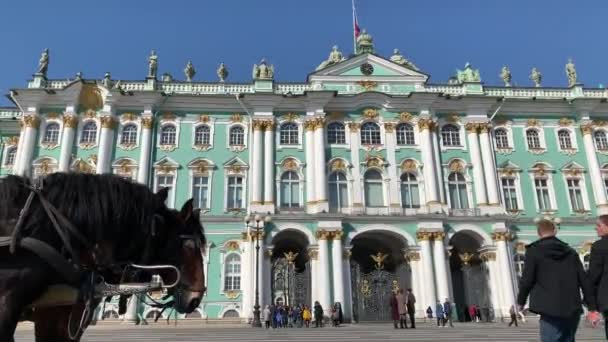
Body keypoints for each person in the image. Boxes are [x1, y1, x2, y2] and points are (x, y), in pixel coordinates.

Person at [517, 219, 598, 342]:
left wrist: (520, 301)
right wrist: (592, 307)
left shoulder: (534, 251)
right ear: (555, 231)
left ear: (539, 233)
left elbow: (527, 280)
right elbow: (584, 280)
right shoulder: (570, 252)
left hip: (548, 309)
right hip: (572, 308)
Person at [587, 215, 608, 338]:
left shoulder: (599, 246)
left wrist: (591, 303)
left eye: (599, 225)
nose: (596, 228)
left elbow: (594, 275)